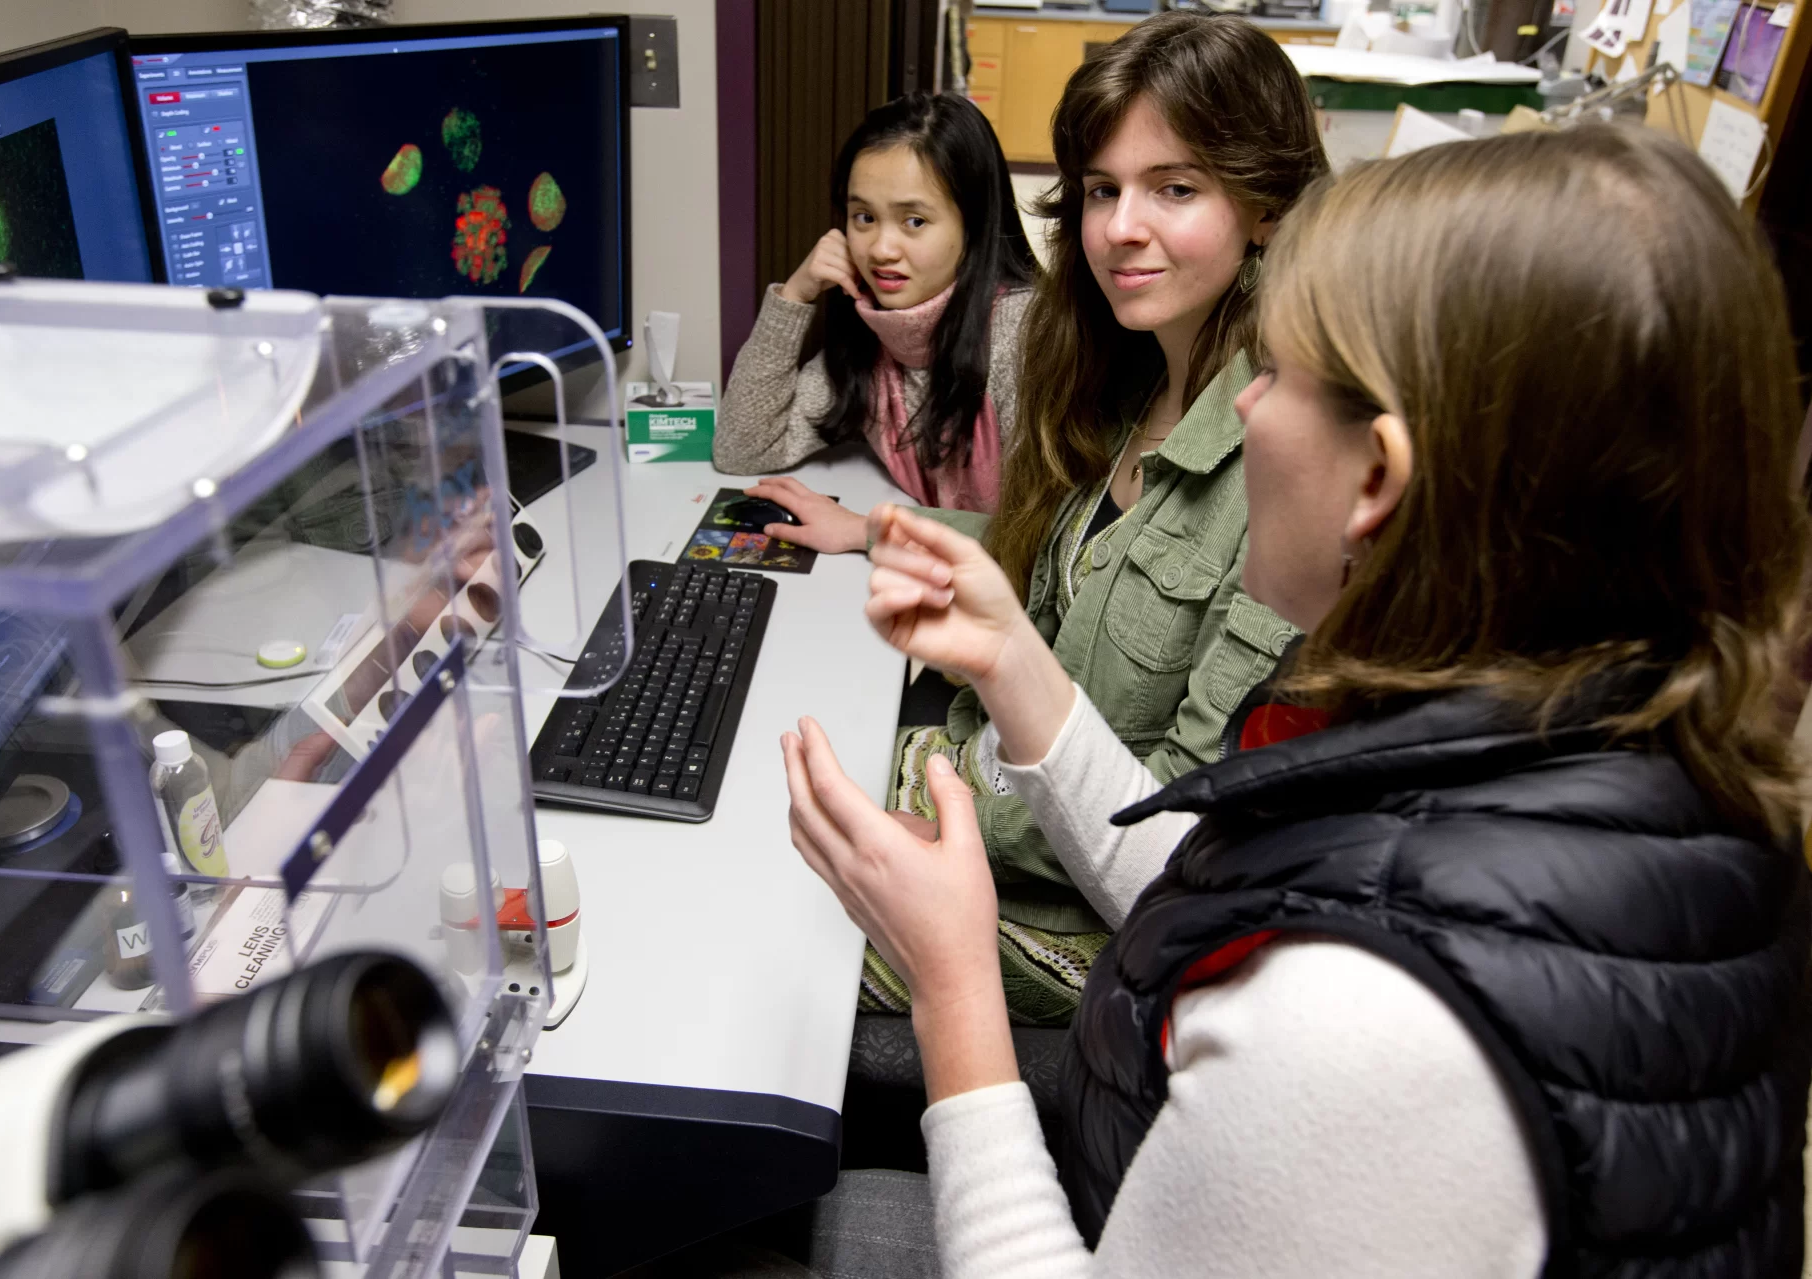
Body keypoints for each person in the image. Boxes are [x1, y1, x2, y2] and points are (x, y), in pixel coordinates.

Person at [783, 124, 1812, 1276]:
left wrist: (955, 984)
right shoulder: (1633, 752)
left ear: (1376, 477)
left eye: (1265, 373)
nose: (1242, 413)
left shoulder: (1360, 1029)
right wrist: (1014, 660)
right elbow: (1212, 877)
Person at [865, 13, 1327, 1026]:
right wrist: (871, 531)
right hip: (982, 800)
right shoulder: (1122, 379)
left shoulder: (1286, 460)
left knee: (770, 921)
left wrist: (945, 795)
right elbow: (1058, 583)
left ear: (1262, 207)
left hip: (1077, 917)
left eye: (1174, 188)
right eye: (1101, 190)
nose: (1120, 226)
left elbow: (1177, 834)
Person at [714, 92, 1036, 552]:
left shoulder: (1022, 331)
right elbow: (743, 449)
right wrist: (794, 294)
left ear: (974, 225)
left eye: (914, 221)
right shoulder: (877, 325)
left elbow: (1045, 540)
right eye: (863, 217)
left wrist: (868, 529)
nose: (881, 249)